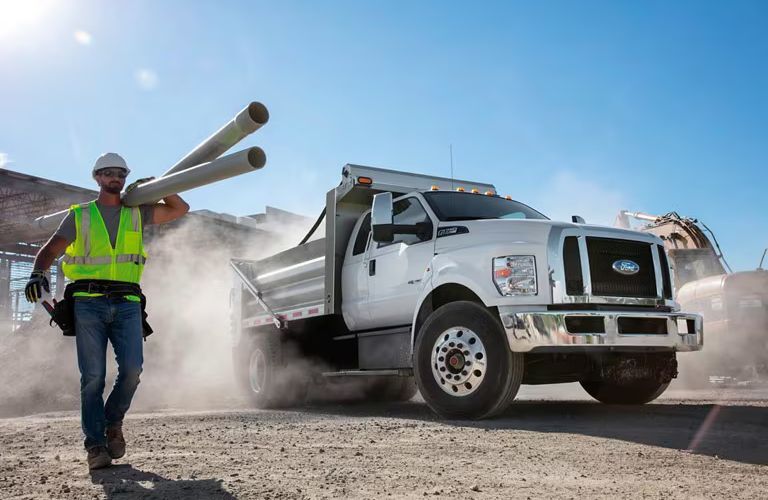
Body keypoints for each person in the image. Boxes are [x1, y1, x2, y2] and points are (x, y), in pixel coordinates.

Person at [24, 152, 189, 470]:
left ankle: (113, 423)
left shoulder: (138, 212)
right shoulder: (81, 215)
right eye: (109, 173)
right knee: (93, 377)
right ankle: (95, 445)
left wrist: (160, 185)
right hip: (88, 302)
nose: (116, 178)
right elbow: (51, 249)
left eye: (121, 173)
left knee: (132, 370)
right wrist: (37, 273)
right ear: (97, 177)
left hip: (127, 302)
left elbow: (180, 209)